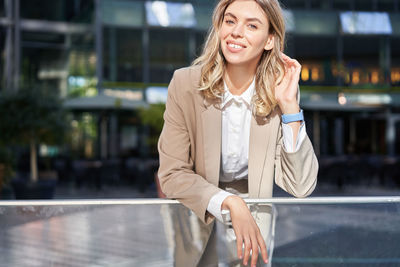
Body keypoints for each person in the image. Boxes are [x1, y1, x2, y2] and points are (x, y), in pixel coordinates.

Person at [157, 0, 318, 266]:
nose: (236, 32)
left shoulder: (280, 91)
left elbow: (300, 186)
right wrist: (230, 202)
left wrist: (289, 106)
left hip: (255, 226)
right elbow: (172, 174)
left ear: (269, 40)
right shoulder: (185, 84)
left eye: (251, 25)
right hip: (197, 216)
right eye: (230, 21)